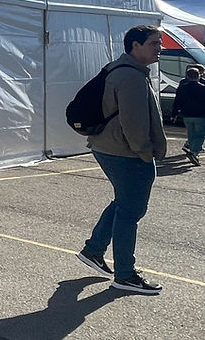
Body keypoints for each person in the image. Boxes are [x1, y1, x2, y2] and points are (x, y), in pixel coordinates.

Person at [76, 25, 167, 294]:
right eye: (153, 43)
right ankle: (125, 274)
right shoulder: (131, 77)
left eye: (159, 43)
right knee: (130, 212)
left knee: (123, 203)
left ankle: (93, 250)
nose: (159, 48)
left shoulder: (121, 70)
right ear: (135, 46)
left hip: (109, 147)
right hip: (126, 153)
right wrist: (145, 151)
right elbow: (134, 122)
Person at [173, 65, 205, 166]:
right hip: (200, 115)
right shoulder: (202, 88)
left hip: (186, 114)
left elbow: (177, 101)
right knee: (200, 134)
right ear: (198, 76)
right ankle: (194, 152)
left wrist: (174, 114)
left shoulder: (182, 87)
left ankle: (191, 149)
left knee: (191, 133)